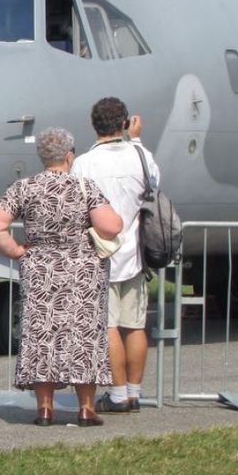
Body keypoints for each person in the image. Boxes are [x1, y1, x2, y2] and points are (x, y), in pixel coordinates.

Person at [0, 126, 121, 427]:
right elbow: (110, 227)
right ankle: (86, 409)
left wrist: (15, 250)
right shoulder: (85, 187)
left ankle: (44, 409)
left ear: (42, 156)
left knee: (41, 336)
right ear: (69, 156)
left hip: (40, 272)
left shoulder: (24, 187)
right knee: (83, 337)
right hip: (82, 274)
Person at [72, 97, 160, 414]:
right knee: (134, 326)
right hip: (134, 253)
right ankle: (134, 392)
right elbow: (154, 183)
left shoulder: (84, 163)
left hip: (99, 252)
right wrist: (136, 140)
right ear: (124, 124)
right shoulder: (140, 156)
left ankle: (118, 393)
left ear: (93, 125)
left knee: (107, 326)